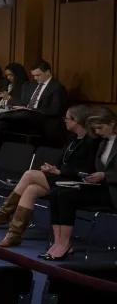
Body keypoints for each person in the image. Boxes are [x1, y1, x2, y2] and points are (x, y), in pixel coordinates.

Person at [0, 105, 98, 247]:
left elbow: (86, 171)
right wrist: (53, 168)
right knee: (31, 189)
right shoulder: (72, 140)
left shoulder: (92, 143)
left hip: (78, 183)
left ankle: (2, 214)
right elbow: (64, 164)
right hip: (62, 179)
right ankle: (13, 235)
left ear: (77, 120)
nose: (65, 121)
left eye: (67, 118)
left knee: (30, 174)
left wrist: (60, 172)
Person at [39, 107, 117, 260]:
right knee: (57, 192)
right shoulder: (103, 142)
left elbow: (107, 172)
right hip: (99, 188)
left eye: (100, 128)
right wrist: (90, 176)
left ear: (112, 123)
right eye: (95, 129)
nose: (98, 132)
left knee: (67, 196)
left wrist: (105, 175)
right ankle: (58, 242)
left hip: (113, 192)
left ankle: (65, 243)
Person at [0, 60, 66, 163]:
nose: (35, 78)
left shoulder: (57, 88)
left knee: (4, 116)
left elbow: (55, 110)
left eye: (38, 75)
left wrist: (32, 109)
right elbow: (24, 102)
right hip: (24, 117)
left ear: (48, 72)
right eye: (34, 75)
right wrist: (20, 106)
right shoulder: (31, 85)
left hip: (41, 120)